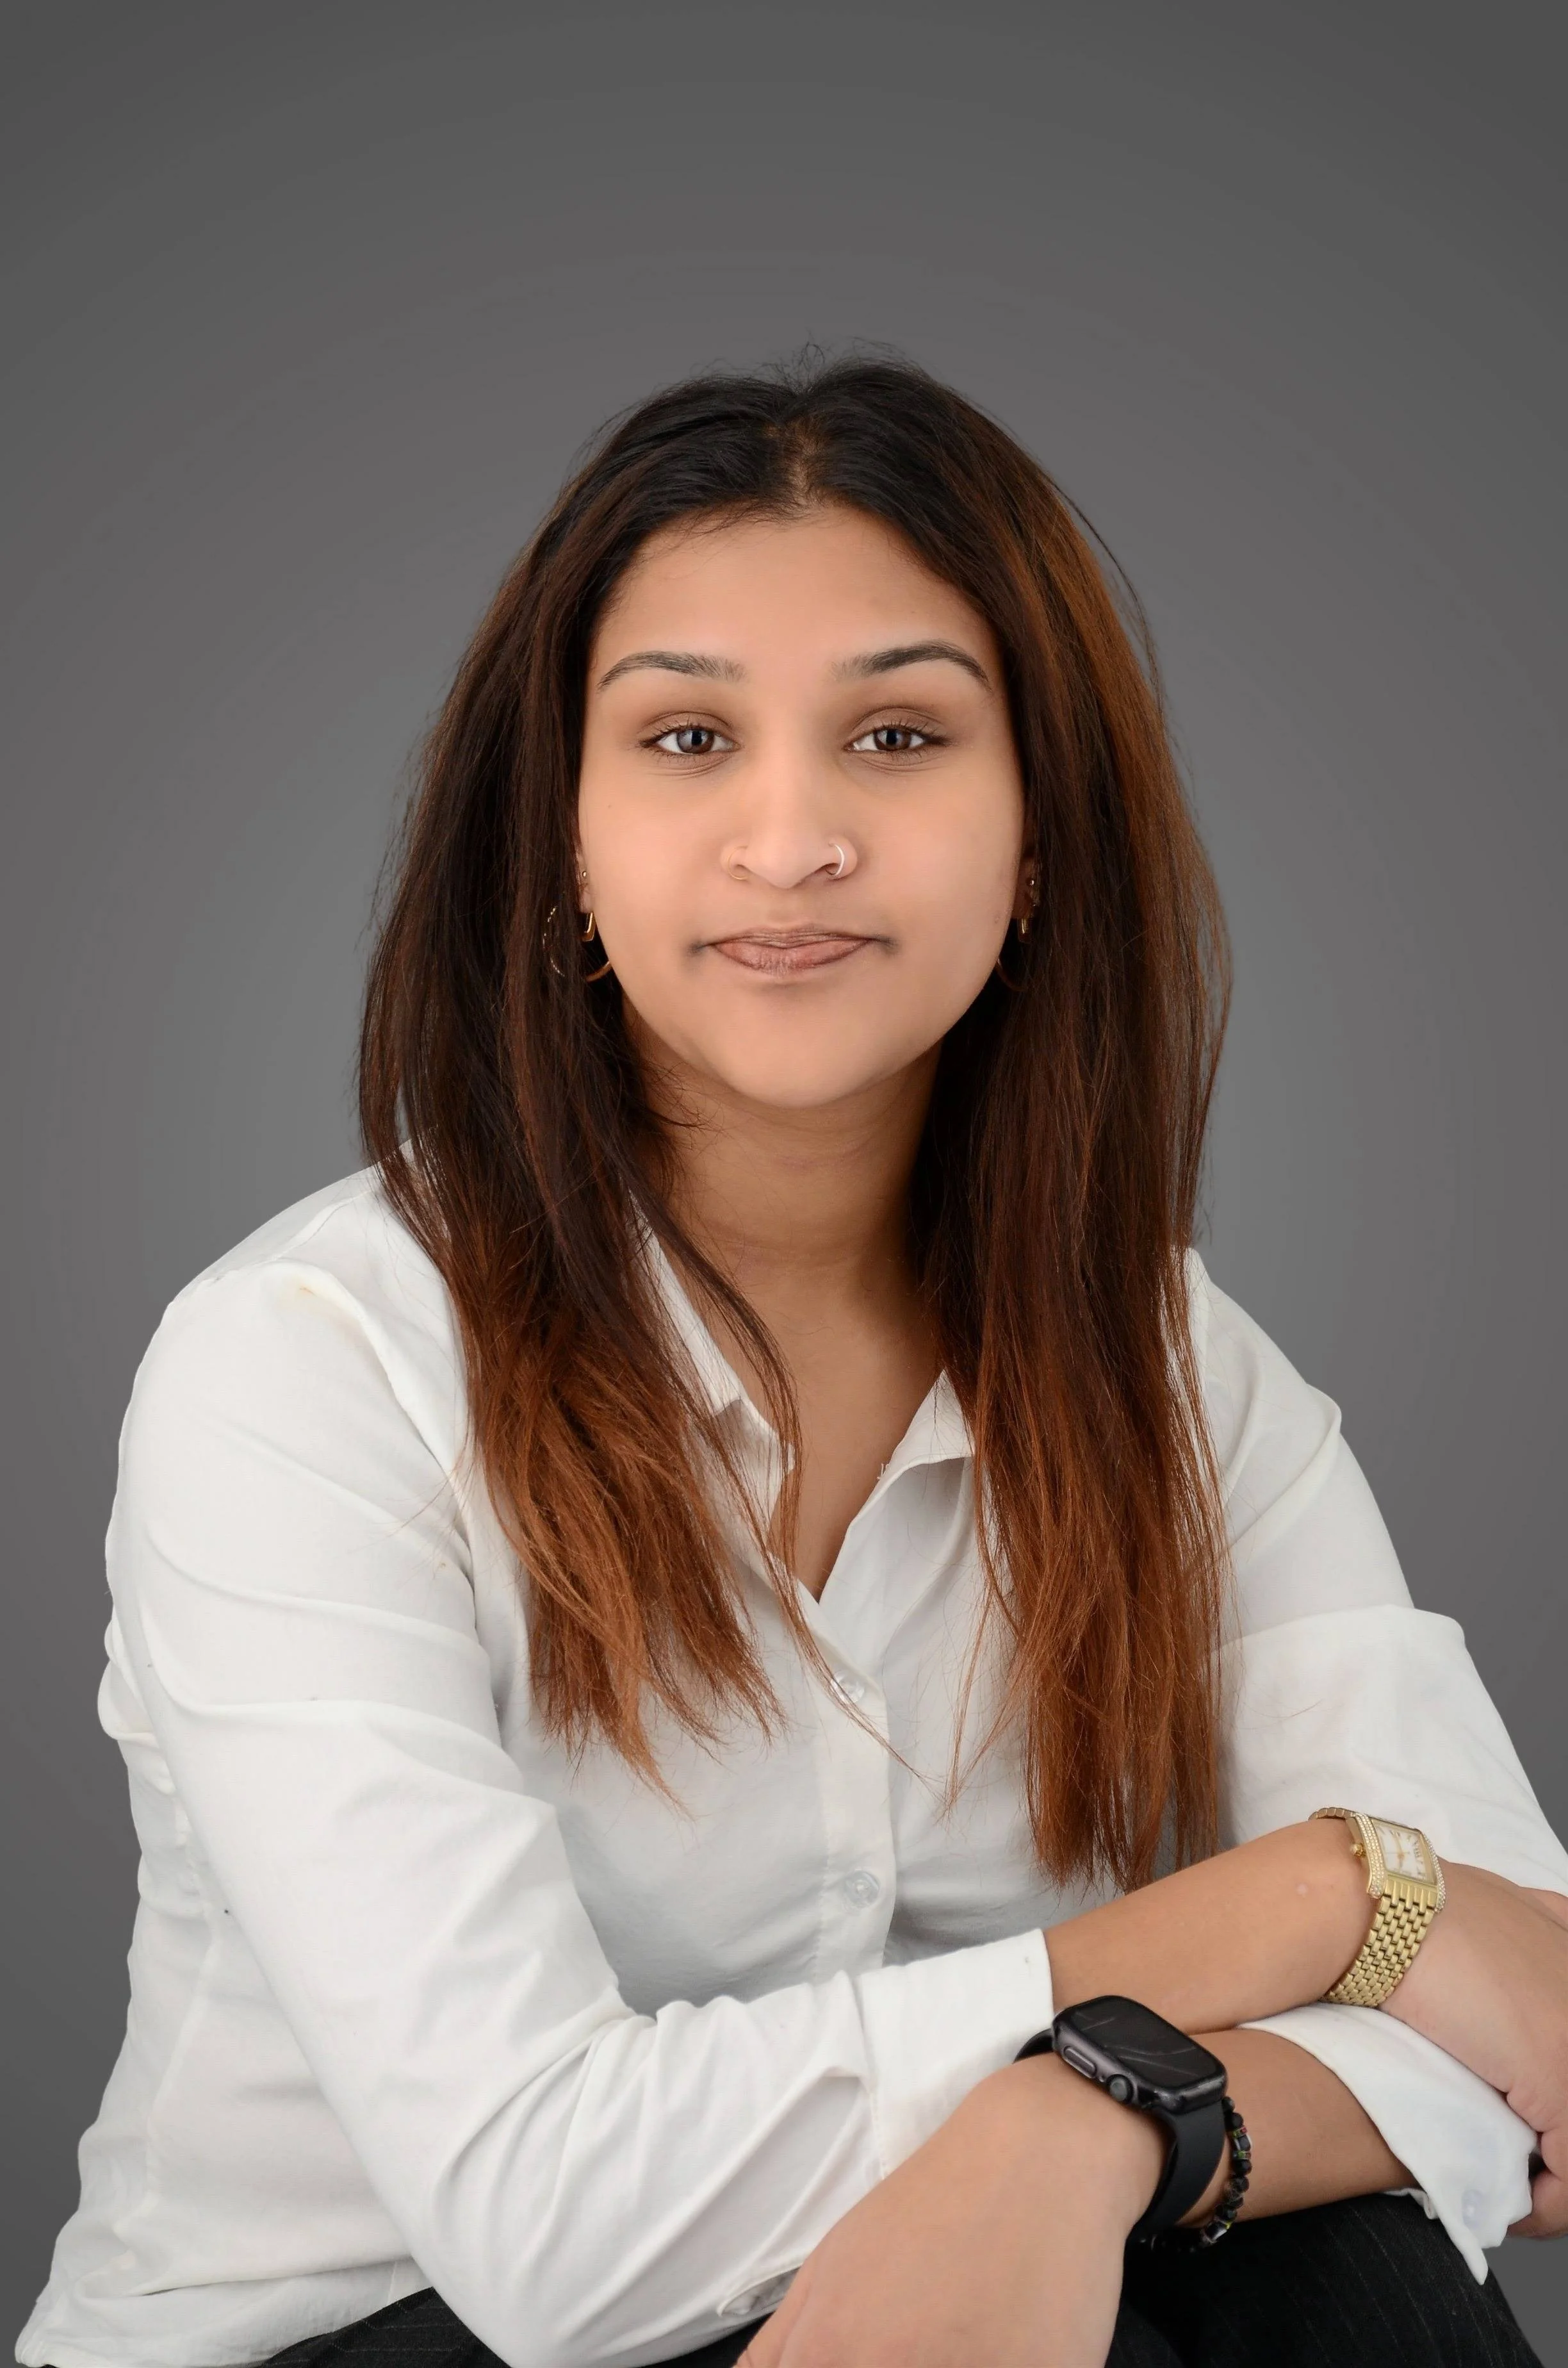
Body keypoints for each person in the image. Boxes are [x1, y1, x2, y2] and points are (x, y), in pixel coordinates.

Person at [17, 354, 1568, 2368]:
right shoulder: (306, 1370)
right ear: (563, 845)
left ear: (1037, 849)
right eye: (684, 736)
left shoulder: (1172, 1363)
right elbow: (556, 2231)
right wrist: (1302, 1912)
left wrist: (1086, 2126)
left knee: (1327, 2281)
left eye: (900, 734)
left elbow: (1520, 2022)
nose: (791, 837)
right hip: (372, 2334)